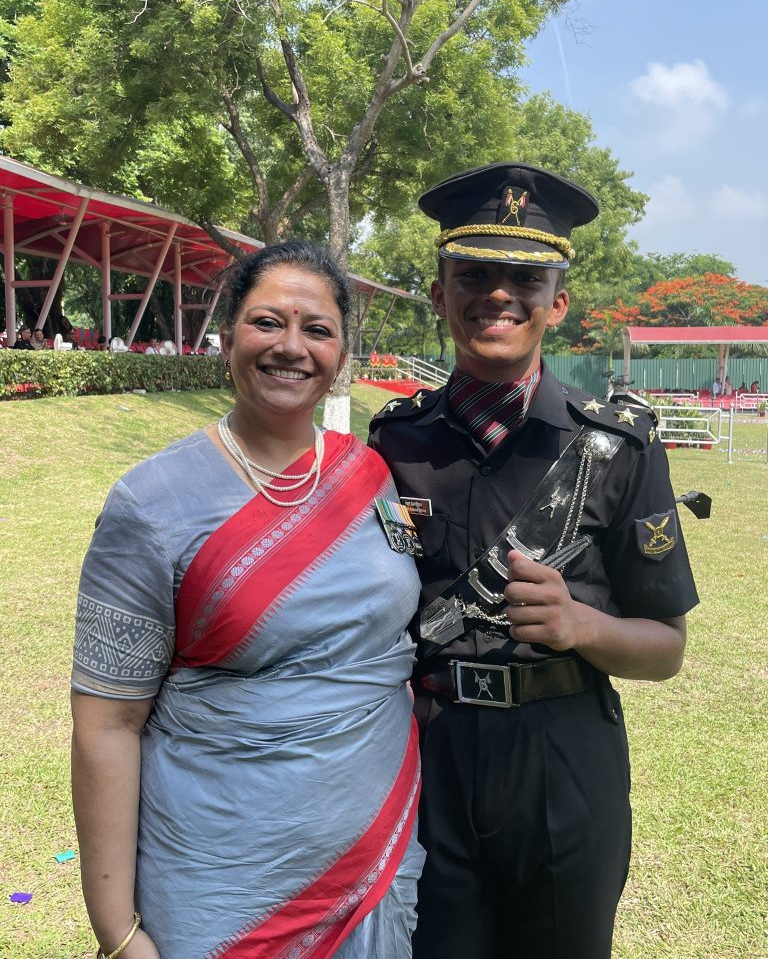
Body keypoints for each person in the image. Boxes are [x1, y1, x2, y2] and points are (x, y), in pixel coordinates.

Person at [369, 163, 699, 959]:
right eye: (473, 274)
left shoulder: (618, 447)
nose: (497, 295)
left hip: (563, 759)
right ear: (441, 292)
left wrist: (581, 623)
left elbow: (666, 649)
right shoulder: (392, 443)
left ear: (558, 300)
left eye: (524, 277)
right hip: (428, 758)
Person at [71, 242, 424, 959]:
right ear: (226, 337)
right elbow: (108, 723)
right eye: (268, 322)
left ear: (341, 351)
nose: (291, 347)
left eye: (317, 329)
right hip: (219, 880)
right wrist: (117, 930)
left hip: (373, 856)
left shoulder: (371, 477)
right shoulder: (151, 502)